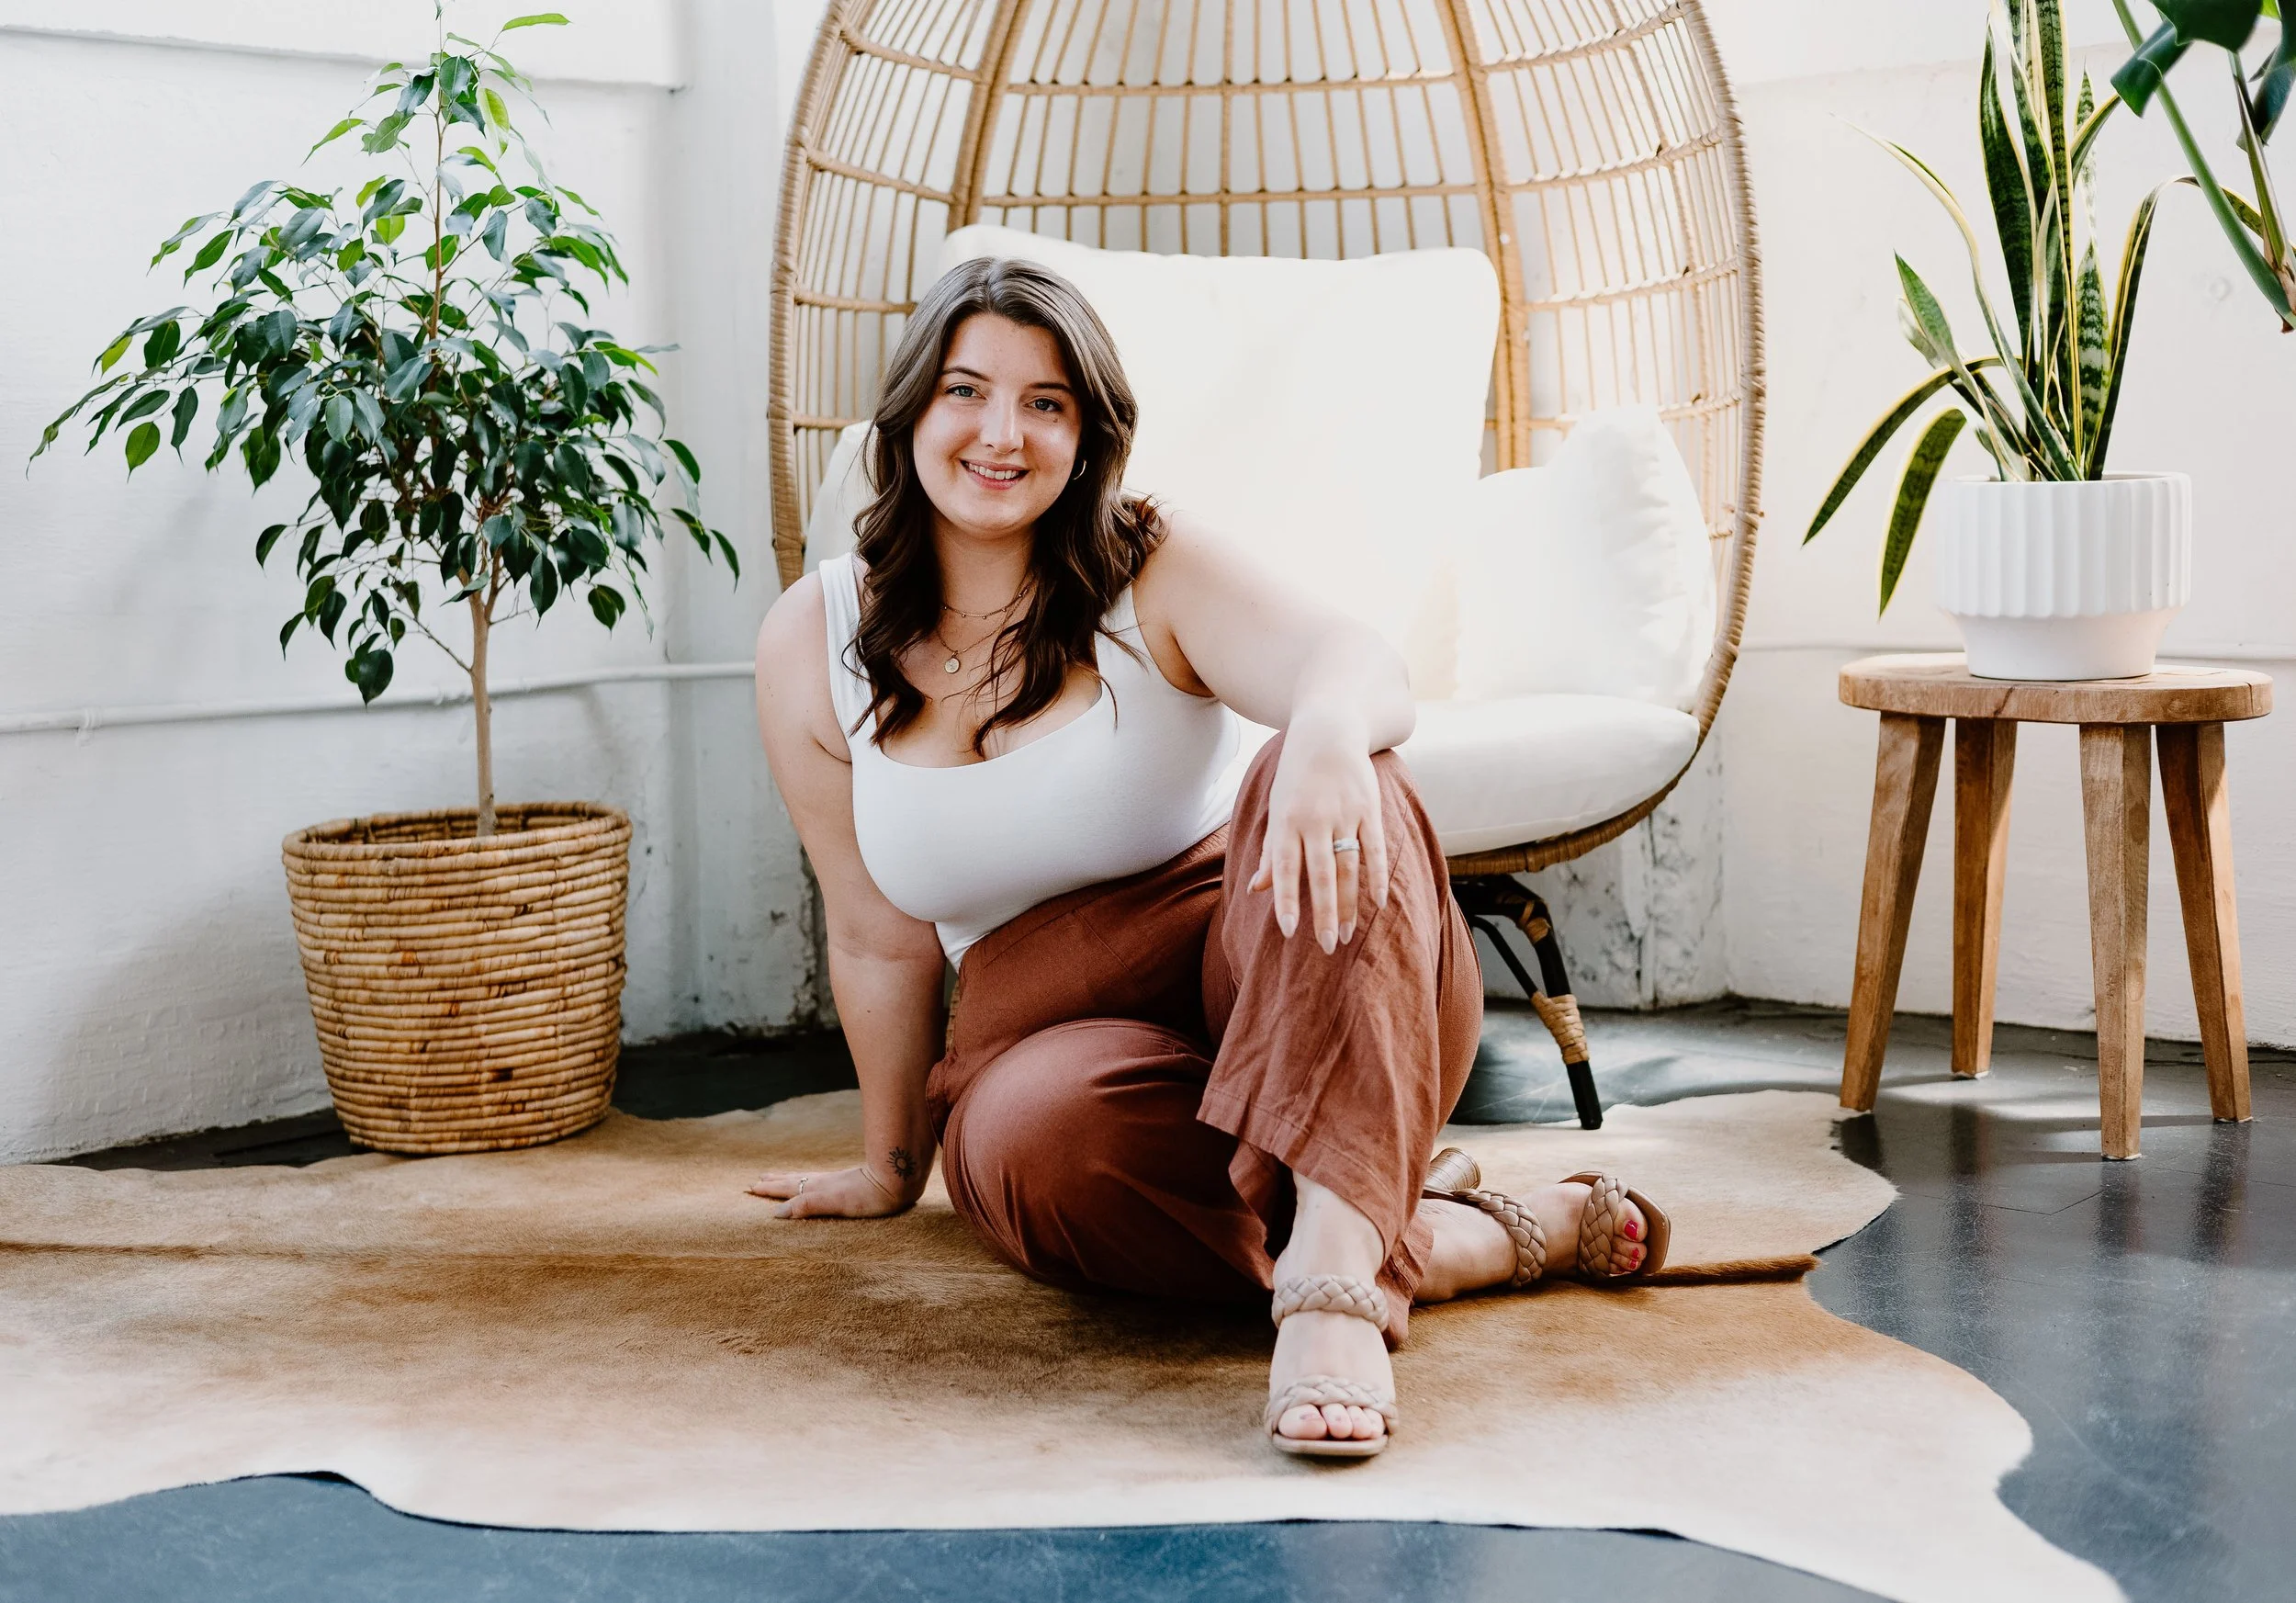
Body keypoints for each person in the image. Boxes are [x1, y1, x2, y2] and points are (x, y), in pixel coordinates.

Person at [748, 255, 1671, 1460]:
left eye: (1045, 403)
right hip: (1062, 1055)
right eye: (966, 391)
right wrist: (889, 1166)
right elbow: (877, 935)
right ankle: (1451, 1238)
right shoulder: (815, 637)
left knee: (1336, 768)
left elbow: (1353, 662)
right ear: (912, 409)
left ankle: (1334, 1281)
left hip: (1311, 970)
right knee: (1034, 1149)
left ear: (1088, 433)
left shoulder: (1148, 561)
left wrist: (1328, 733)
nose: (1001, 433)